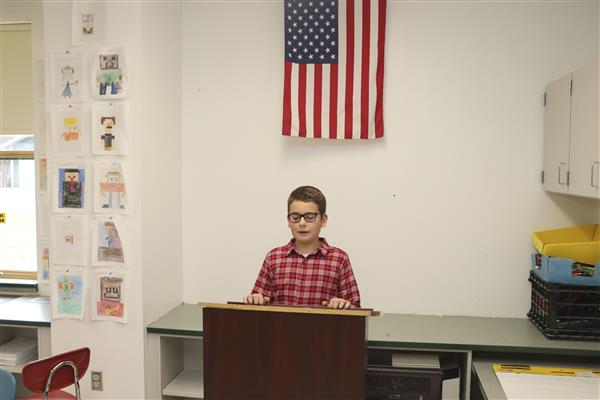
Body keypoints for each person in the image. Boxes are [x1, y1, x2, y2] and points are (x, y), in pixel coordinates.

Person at [243, 186, 360, 309]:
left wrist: (342, 304)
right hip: (280, 327)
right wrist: (255, 299)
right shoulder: (273, 258)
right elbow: (257, 303)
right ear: (288, 221)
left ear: (323, 220)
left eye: (310, 217)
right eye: (295, 217)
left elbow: (355, 306)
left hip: (324, 328)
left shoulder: (339, 259)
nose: (302, 223)